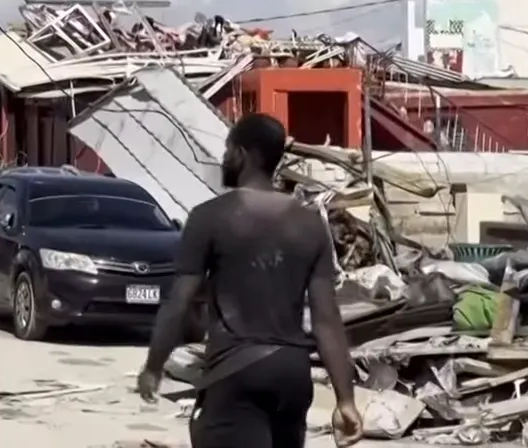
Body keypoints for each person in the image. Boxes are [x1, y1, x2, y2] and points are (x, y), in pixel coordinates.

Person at [136, 113, 363, 448]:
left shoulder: (209, 216)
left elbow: (179, 301)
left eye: (228, 151)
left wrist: (153, 366)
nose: (224, 159)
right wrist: (346, 400)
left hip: (236, 372)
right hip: (292, 376)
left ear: (241, 154)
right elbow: (326, 320)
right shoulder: (310, 224)